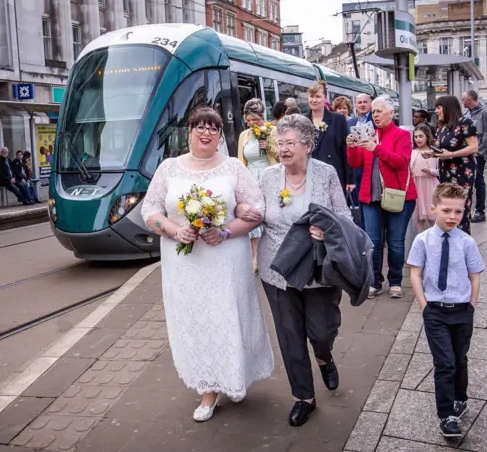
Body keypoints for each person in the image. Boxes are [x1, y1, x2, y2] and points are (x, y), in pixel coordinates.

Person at [140, 107, 274, 422]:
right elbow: (150, 210)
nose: (206, 133)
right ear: (189, 132)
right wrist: (175, 230)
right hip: (185, 264)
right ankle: (208, 390)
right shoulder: (169, 168)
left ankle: (234, 376)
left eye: (213, 128)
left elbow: (257, 207)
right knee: (198, 319)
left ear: (219, 135)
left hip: (226, 260)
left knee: (228, 315)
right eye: (199, 127)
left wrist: (227, 228)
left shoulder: (232, 167)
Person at [237, 114, 351, 427]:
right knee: (289, 335)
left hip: (318, 271)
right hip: (278, 270)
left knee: (321, 331)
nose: (283, 149)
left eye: (290, 143)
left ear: (308, 146)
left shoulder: (326, 174)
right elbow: (257, 212)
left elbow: (345, 217)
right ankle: (304, 397)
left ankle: (324, 356)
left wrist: (328, 231)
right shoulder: (269, 177)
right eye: (280, 143)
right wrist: (241, 210)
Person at [407, 183, 485, 438]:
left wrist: (471, 306)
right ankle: (446, 415)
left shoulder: (467, 242)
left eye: (458, 212)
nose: (452, 216)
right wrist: (425, 307)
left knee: (460, 359)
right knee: (445, 363)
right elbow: (416, 274)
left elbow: (474, 276)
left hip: (462, 309)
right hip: (436, 311)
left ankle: (460, 398)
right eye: (446, 210)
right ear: (433, 209)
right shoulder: (423, 240)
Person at [347, 95, 417, 299]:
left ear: (391, 113)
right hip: (371, 197)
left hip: (398, 197)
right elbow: (356, 163)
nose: (374, 115)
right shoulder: (367, 133)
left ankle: (395, 281)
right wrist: (352, 147)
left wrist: (376, 148)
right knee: (374, 242)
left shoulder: (401, 135)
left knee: (395, 242)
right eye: (373, 112)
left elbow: (401, 162)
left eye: (379, 111)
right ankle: (374, 281)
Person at [238, 98, 279, 272]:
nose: (252, 123)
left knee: (269, 214)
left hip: (269, 175)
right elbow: (241, 160)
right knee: (253, 215)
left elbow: (281, 155)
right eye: (249, 120)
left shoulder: (273, 131)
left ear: (263, 117)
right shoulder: (244, 135)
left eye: (256, 120)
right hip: (251, 178)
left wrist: (268, 146)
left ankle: (271, 254)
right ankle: (255, 257)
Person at [431, 96, 478, 234]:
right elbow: (442, 149)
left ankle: (463, 246)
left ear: (448, 108)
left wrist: (450, 155)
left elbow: (474, 148)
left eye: (439, 108)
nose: (436, 111)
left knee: (459, 208)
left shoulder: (465, 122)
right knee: (446, 209)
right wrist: (432, 153)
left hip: (462, 173)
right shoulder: (443, 127)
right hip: (445, 173)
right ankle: (449, 244)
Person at [306, 80, 354, 192]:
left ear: (325, 99)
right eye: (311, 96)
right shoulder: (302, 120)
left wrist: (350, 179)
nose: (314, 100)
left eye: (318, 96)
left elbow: (345, 149)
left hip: (333, 173)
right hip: (308, 174)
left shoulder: (338, 119)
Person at [462, 90, 487, 223]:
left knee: (478, 181)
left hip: (477, 154)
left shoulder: (486, 112)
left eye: (464, 99)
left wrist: (479, 152)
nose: (462, 101)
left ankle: (480, 211)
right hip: (467, 153)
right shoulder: (467, 113)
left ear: (469, 100)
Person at [347, 93, 374, 229]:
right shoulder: (350, 122)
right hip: (355, 167)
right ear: (355, 105)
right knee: (359, 204)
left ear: (371, 104)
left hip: (371, 167)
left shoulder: (376, 121)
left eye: (365, 102)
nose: (362, 105)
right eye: (359, 103)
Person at [411, 124, 439, 233]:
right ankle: (421, 243)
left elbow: (440, 171)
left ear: (427, 136)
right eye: (416, 136)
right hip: (416, 186)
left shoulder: (434, 152)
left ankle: (435, 241)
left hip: (430, 186)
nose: (418, 139)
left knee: (433, 217)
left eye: (421, 136)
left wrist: (430, 171)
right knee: (419, 218)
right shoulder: (412, 152)